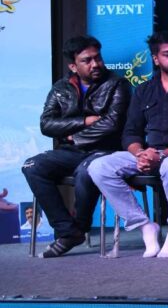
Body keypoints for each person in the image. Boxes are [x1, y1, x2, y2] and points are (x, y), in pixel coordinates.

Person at [88, 31, 168, 258]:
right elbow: (131, 132)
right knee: (99, 167)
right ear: (156, 59)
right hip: (151, 152)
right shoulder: (144, 90)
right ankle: (145, 225)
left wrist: (162, 155)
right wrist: (140, 154)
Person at [22, 36, 131, 257]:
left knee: (86, 171)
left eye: (97, 58)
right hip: (71, 152)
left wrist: (75, 137)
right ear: (73, 66)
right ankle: (68, 231)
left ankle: (79, 227)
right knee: (32, 166)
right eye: (87, 60)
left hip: (106, 151)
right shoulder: (61, 88)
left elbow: (112, 124)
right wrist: (85, 121)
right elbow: (46, 124)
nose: (95, 64)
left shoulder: (117, 84)